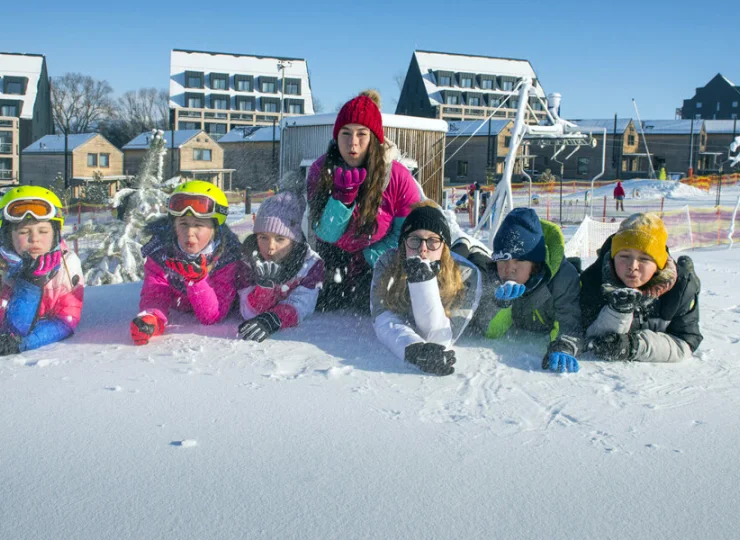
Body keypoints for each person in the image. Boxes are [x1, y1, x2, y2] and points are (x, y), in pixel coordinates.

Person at [307, 90, 422, 312]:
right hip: (333, 260)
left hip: (378, 261)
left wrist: (369, 256)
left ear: (374, 138)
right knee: (326, 306)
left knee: (369, 307)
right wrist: (343, 199)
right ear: (336, 136)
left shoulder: (398, 178)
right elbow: (324, 233)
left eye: (362, 134)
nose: (353, 144)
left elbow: (405, 236)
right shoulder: (319, 171)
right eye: (346, 133)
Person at [455, 208, 582, 373]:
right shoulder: (494, 279)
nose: (509, 269)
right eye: (503, 261)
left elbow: (570, 323)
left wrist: (563, 346)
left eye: (519, 260)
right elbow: (490, 332)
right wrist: (503, 305)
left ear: (535, 263)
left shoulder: (562, 278)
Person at [370, 202, 481, 375]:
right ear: (403, 244)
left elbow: (441, 337)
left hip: (471, 259)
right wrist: (413, 349)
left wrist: (423, 284)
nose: (423, 249)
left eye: (432, 241)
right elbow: (383, 318)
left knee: (472, 253)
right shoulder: (387, 263)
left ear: (444, 246)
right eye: (415, 240)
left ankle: (465, 243)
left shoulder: (468, 274)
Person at [130, 180, 241, 345]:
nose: (189, 233)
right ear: (173, 225)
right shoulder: (161, 252)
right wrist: (152, 319)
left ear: (214, 227)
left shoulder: (227, 258)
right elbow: (156, 292)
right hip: (178, 310)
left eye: (198, 225)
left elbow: (212, 316)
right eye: (183, 224)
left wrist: (197, 281)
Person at [581, 213, 702, 363]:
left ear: (659, 263)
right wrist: (618, 311)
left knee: (691, 281)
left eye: (644, 259)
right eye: (624, 256)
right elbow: (589, 335)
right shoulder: (593, 280)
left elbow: (685, 343)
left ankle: (686, 268)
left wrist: (635, 345)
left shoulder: (681, 289)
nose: (632, 266)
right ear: (613, 257)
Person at [0, 186, 84, 355]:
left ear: (55, 233)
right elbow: (9, 329)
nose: (35, 239)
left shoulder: (67, 266)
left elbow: (67, 321)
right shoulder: (3, 269)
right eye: (24, 232)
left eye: (43, 231)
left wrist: (23, 344)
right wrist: (28, 285)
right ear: (8, 236)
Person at [236, 191, 324, 342]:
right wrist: (264, 289)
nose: (270, 248)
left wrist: (274, 318)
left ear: (294, 240)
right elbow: (248, 313)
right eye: (263, 237)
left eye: (280, 239)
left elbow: (302, 305)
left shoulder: (310, 265)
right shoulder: (248, 260)